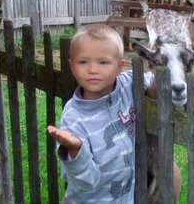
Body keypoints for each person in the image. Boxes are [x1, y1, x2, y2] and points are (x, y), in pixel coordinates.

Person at [47, 24, 153, 203]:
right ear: (72, 67)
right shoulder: (74, 119)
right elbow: (86, 183)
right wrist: (76, 151)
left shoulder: (128, 85)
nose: (92, 70)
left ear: (119, 67)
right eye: (83, 62)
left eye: (103, 62)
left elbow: (155, 80)